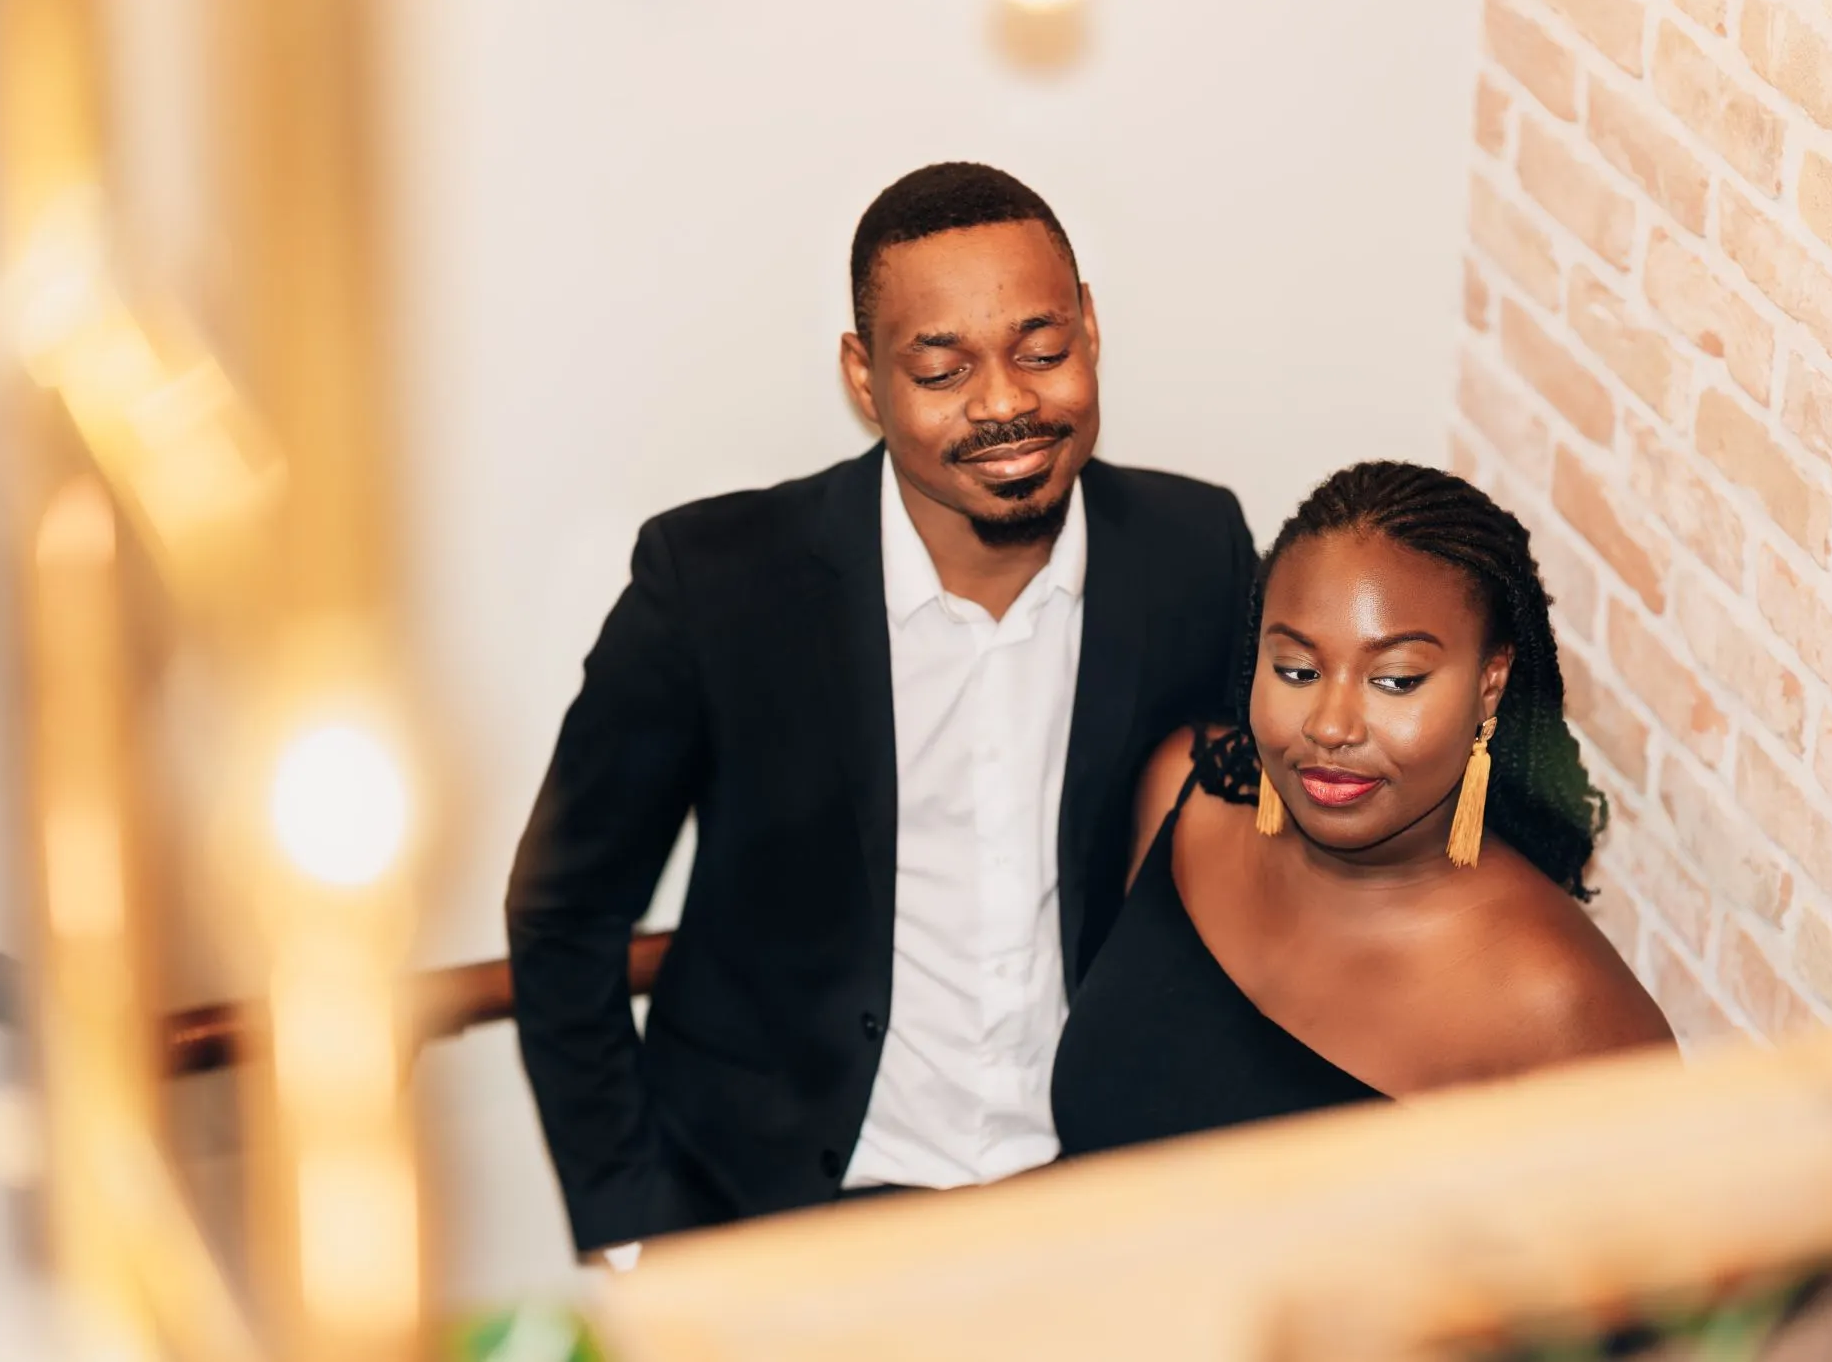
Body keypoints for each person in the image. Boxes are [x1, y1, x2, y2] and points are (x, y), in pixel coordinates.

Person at [506, 162, 1255, 1256]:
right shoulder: (712, 586)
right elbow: (563, 913)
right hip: (790, 1220)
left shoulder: (1198, 552)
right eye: (942, 368)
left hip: (1083, 1210)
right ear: (864, 376)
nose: (1003, 402)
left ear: (1090, 331)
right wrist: (629, 1233)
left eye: (1040, 351)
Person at [1051, 461, 1673, 1156]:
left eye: (1395, 680)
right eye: (1297, 670)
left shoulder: (1558, 1005)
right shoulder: (1186, 795)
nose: (1332, 724)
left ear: (1490, 684)